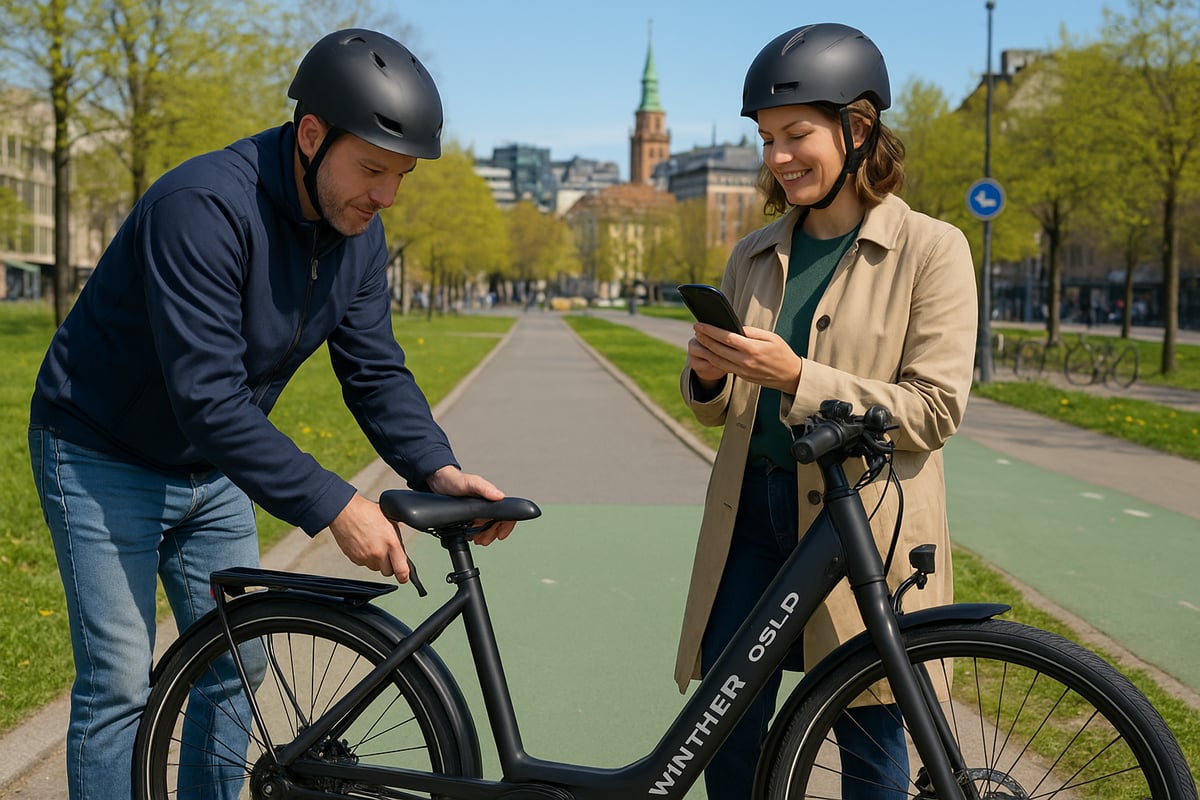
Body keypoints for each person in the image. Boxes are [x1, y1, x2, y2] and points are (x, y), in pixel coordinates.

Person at [28, 28, 514, 800]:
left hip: (209, 464)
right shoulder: (201, 207)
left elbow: (375, 369)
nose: (386, 195)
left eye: (403, 177)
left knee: (238, 668)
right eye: (374, 170)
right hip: (98, 449)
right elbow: (208, 396)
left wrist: (437, 467)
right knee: (120, 684)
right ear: (312, 135)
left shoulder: (357, 231)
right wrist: (336, 506)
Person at [674, 23, 978, 799]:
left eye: (796, 134)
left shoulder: (934, 250)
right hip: (755, 513)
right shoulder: (752, 253)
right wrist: (709, 378)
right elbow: (722, 412)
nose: (778, 157)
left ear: (859, 127)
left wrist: (800, 376)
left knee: (869, 738)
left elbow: (935, 409)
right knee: (726, 724)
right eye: (768, 138)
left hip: (863, 524)